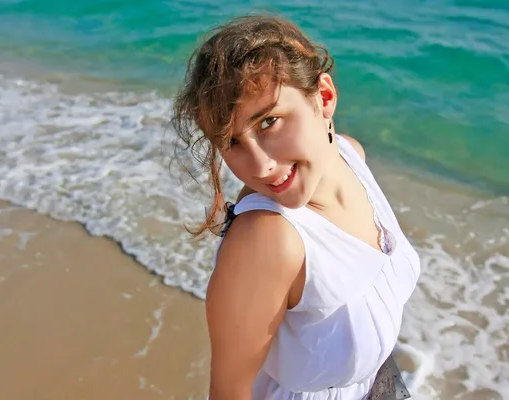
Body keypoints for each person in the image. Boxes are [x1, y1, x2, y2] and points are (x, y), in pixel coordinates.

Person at [171, 15, 421, 400]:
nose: (261, 166)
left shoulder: (351, 155)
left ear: (323, 98)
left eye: (268, 122)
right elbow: (229, 393)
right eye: (232, 142)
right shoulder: (267, 241)